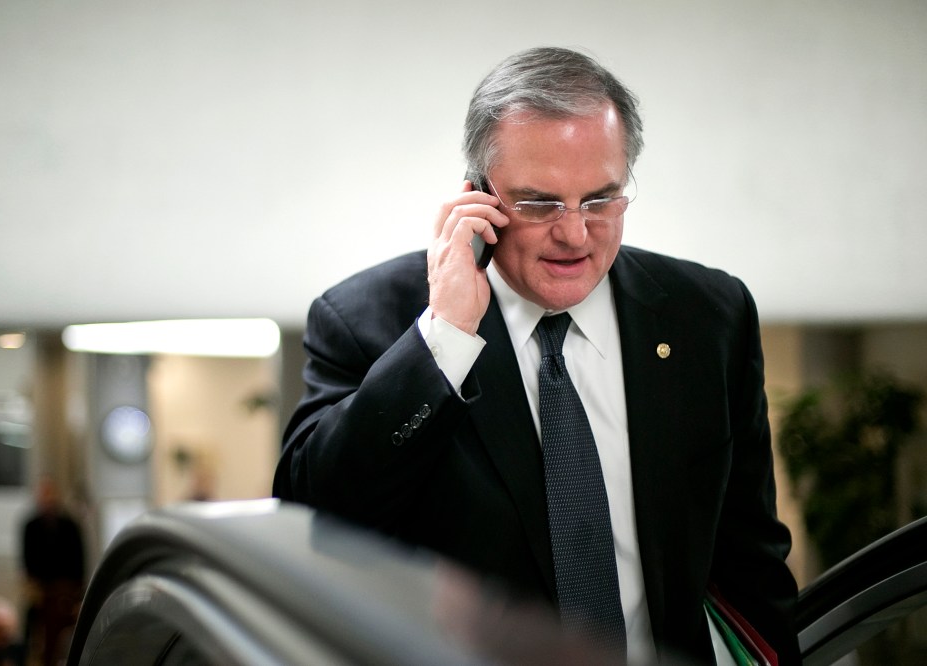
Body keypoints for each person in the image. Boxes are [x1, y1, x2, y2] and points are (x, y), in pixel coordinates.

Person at [274, 46, 799, 665]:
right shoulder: (366, 321)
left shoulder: (709, 315)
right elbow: (312, 518)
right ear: (478, 197)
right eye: (541, 204)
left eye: (601, 199)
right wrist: (445, 337)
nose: (575, 234)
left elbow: (752, 563)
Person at [21, 477, 86, 666]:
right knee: (32, 620)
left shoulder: (70, 525)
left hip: (66, 586)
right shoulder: (31, 525)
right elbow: (27, 559)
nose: (47, 500)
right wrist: (34, 586)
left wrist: (76, 590)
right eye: (43, 496)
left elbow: (79, 558)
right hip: (43, 586)